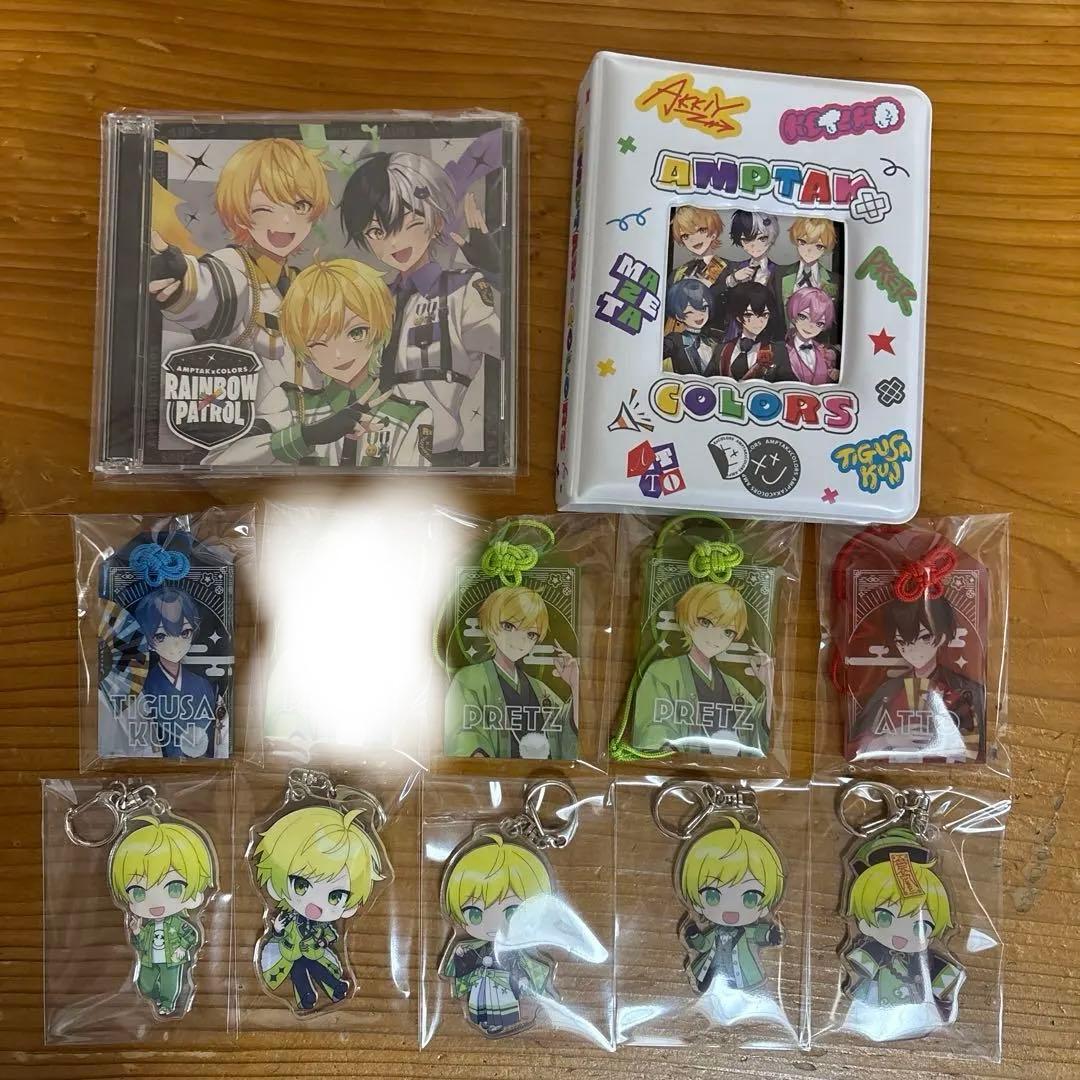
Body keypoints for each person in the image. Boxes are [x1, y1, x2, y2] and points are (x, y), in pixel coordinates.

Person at [340, 151, 501, 465]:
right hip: (368, 458)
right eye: (377, 232)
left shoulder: (461, 292)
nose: (393, 242)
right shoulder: (372, 302)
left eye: (405, 222)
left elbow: (511, 348)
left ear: (436, 220)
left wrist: (498, 274)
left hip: (437, 458)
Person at [147, 139, 331, 413]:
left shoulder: (299, 283)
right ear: (240, 213)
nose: (285, 221)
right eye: (264, 208)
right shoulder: (234, 267)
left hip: (308, 424)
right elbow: (208, 289)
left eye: (300, 206)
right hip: (251, 425)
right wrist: (178, 274)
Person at [215, 259, 433, 466]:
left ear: (379, 329)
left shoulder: (409, 416)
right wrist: (307, 436)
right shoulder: (290, 403)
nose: (338, 354)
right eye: (318, 342)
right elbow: (218, 463)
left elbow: (416, 487)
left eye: (356, 332)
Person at [253, 805, 384, 1012]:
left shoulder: (320, 925)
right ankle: (306, 997)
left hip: (314, 952)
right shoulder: (289, 917)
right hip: (290, 954)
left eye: (335, 896)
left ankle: (336, 987)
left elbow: (331, 933)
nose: (315, 904)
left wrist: (323, 941)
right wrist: (277, 929)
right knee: (298, 973)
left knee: (317, 968)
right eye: (301, 885)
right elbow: (280, 933)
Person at [841, 827, 963, 1039]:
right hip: (874, 1005)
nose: (901, 934)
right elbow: (860, 966)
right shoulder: (875, 952)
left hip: (916, 1009)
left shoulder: (925, 961)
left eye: (919, 926)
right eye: (885, 918)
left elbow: (944, 981)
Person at [631, 581, 769, 756]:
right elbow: (651, 731)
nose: (716, 637)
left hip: (727, 766)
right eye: (706, 622)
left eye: (728, 632)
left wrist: (769, 685)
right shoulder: (660, 672)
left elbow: (758, 726)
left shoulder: (732, 684)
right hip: (674, 765)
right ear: (688, 619)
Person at [444, 586, 579, 760]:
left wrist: (576, 686)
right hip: (490, 774)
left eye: (531, 634)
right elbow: (463, 735)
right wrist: (481, 766)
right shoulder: (468, 680)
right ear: (490, 626)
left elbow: (568, 730)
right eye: (509, 626)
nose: (520, 640)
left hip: (540, 774)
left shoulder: (539, 688)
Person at [439, 833, 554, 1035]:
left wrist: (523, 979)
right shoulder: (471, 946)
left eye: (511, 913)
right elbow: (462, 967)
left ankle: (501, 1021)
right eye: (475, 914)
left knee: (502, 1003)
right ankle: (483, 1019)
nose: (493, 925)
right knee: (481, 1003)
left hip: (504, 984)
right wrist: (462, 957)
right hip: (482, 984)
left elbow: (520, 965)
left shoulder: (513, 950)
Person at [852, 595, 984, 760]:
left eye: (924, 638)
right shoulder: (888, 691)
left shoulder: (966, 689)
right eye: (901, 642)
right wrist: (887, 739)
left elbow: (976, 748)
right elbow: (855, 748)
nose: (911, 649)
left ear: (942, 637)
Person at [111, 816, 214, 1017]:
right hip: (149, 959)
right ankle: (154, 997)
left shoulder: (178, 923)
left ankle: (167, 1002)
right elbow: (141, 942)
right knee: (145, 984)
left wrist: (182, 948)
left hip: (172, 960)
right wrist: (137, 931)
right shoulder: (148, 926)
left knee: (170, 984)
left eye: (174, 888)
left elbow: (191, 935)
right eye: (138, 892)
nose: (156, 903)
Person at [676, 818, 784, 997]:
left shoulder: (747, 932)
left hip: (743, 975)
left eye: (750, 898)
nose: (730, 910)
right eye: (712, 896)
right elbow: (703, 946)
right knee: (707, 981)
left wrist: (770, 934)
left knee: (737, 988)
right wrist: (694, 934)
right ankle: (706, 984)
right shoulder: (713, 932)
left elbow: (758, 933)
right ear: (697, 903)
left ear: (764, 907)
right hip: (710, 971)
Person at [134, 588, 225, 759]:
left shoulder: (205, 686)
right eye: (161, 636)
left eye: (184, 633)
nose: (175, 644)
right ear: (148, 639)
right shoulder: (142, 688)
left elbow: (220, 735)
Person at [666, 206, 727, 333]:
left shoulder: (729, 268)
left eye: (701, 230)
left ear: (714, 232)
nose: (694, 239)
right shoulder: (677, 273)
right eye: (686, 236)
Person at [716, 282, 792, 382]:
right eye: (749, 315)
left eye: (764, 315)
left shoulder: (778, 352)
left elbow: (787, 385)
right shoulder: (721, 350)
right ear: (738, 316)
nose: (758, 321)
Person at [662, 278, 723, 376]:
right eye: (690, 312)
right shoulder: (675, 340)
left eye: (703, 308)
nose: (699, 315)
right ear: (679, 316)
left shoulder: (717, 337)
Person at [784, 287, 840, 384]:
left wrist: (833, 377)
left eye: (819, 323)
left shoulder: (824, 353)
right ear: (793, 315)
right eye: (803, 317)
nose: (810, 326)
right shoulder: (783, 351)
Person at [778, 217, 841, 305]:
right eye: (803, 242)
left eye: (819, 246)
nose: (809, 250)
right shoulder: (779, 274)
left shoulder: (836, 281)